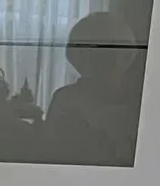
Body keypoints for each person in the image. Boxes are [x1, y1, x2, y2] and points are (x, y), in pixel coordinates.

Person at [39, 12, 145, 164]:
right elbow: (49, 155)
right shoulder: (65, 99)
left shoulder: (138, 106)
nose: (101, 63)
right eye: (91, 56)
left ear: (127, 57)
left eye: (106, 55)